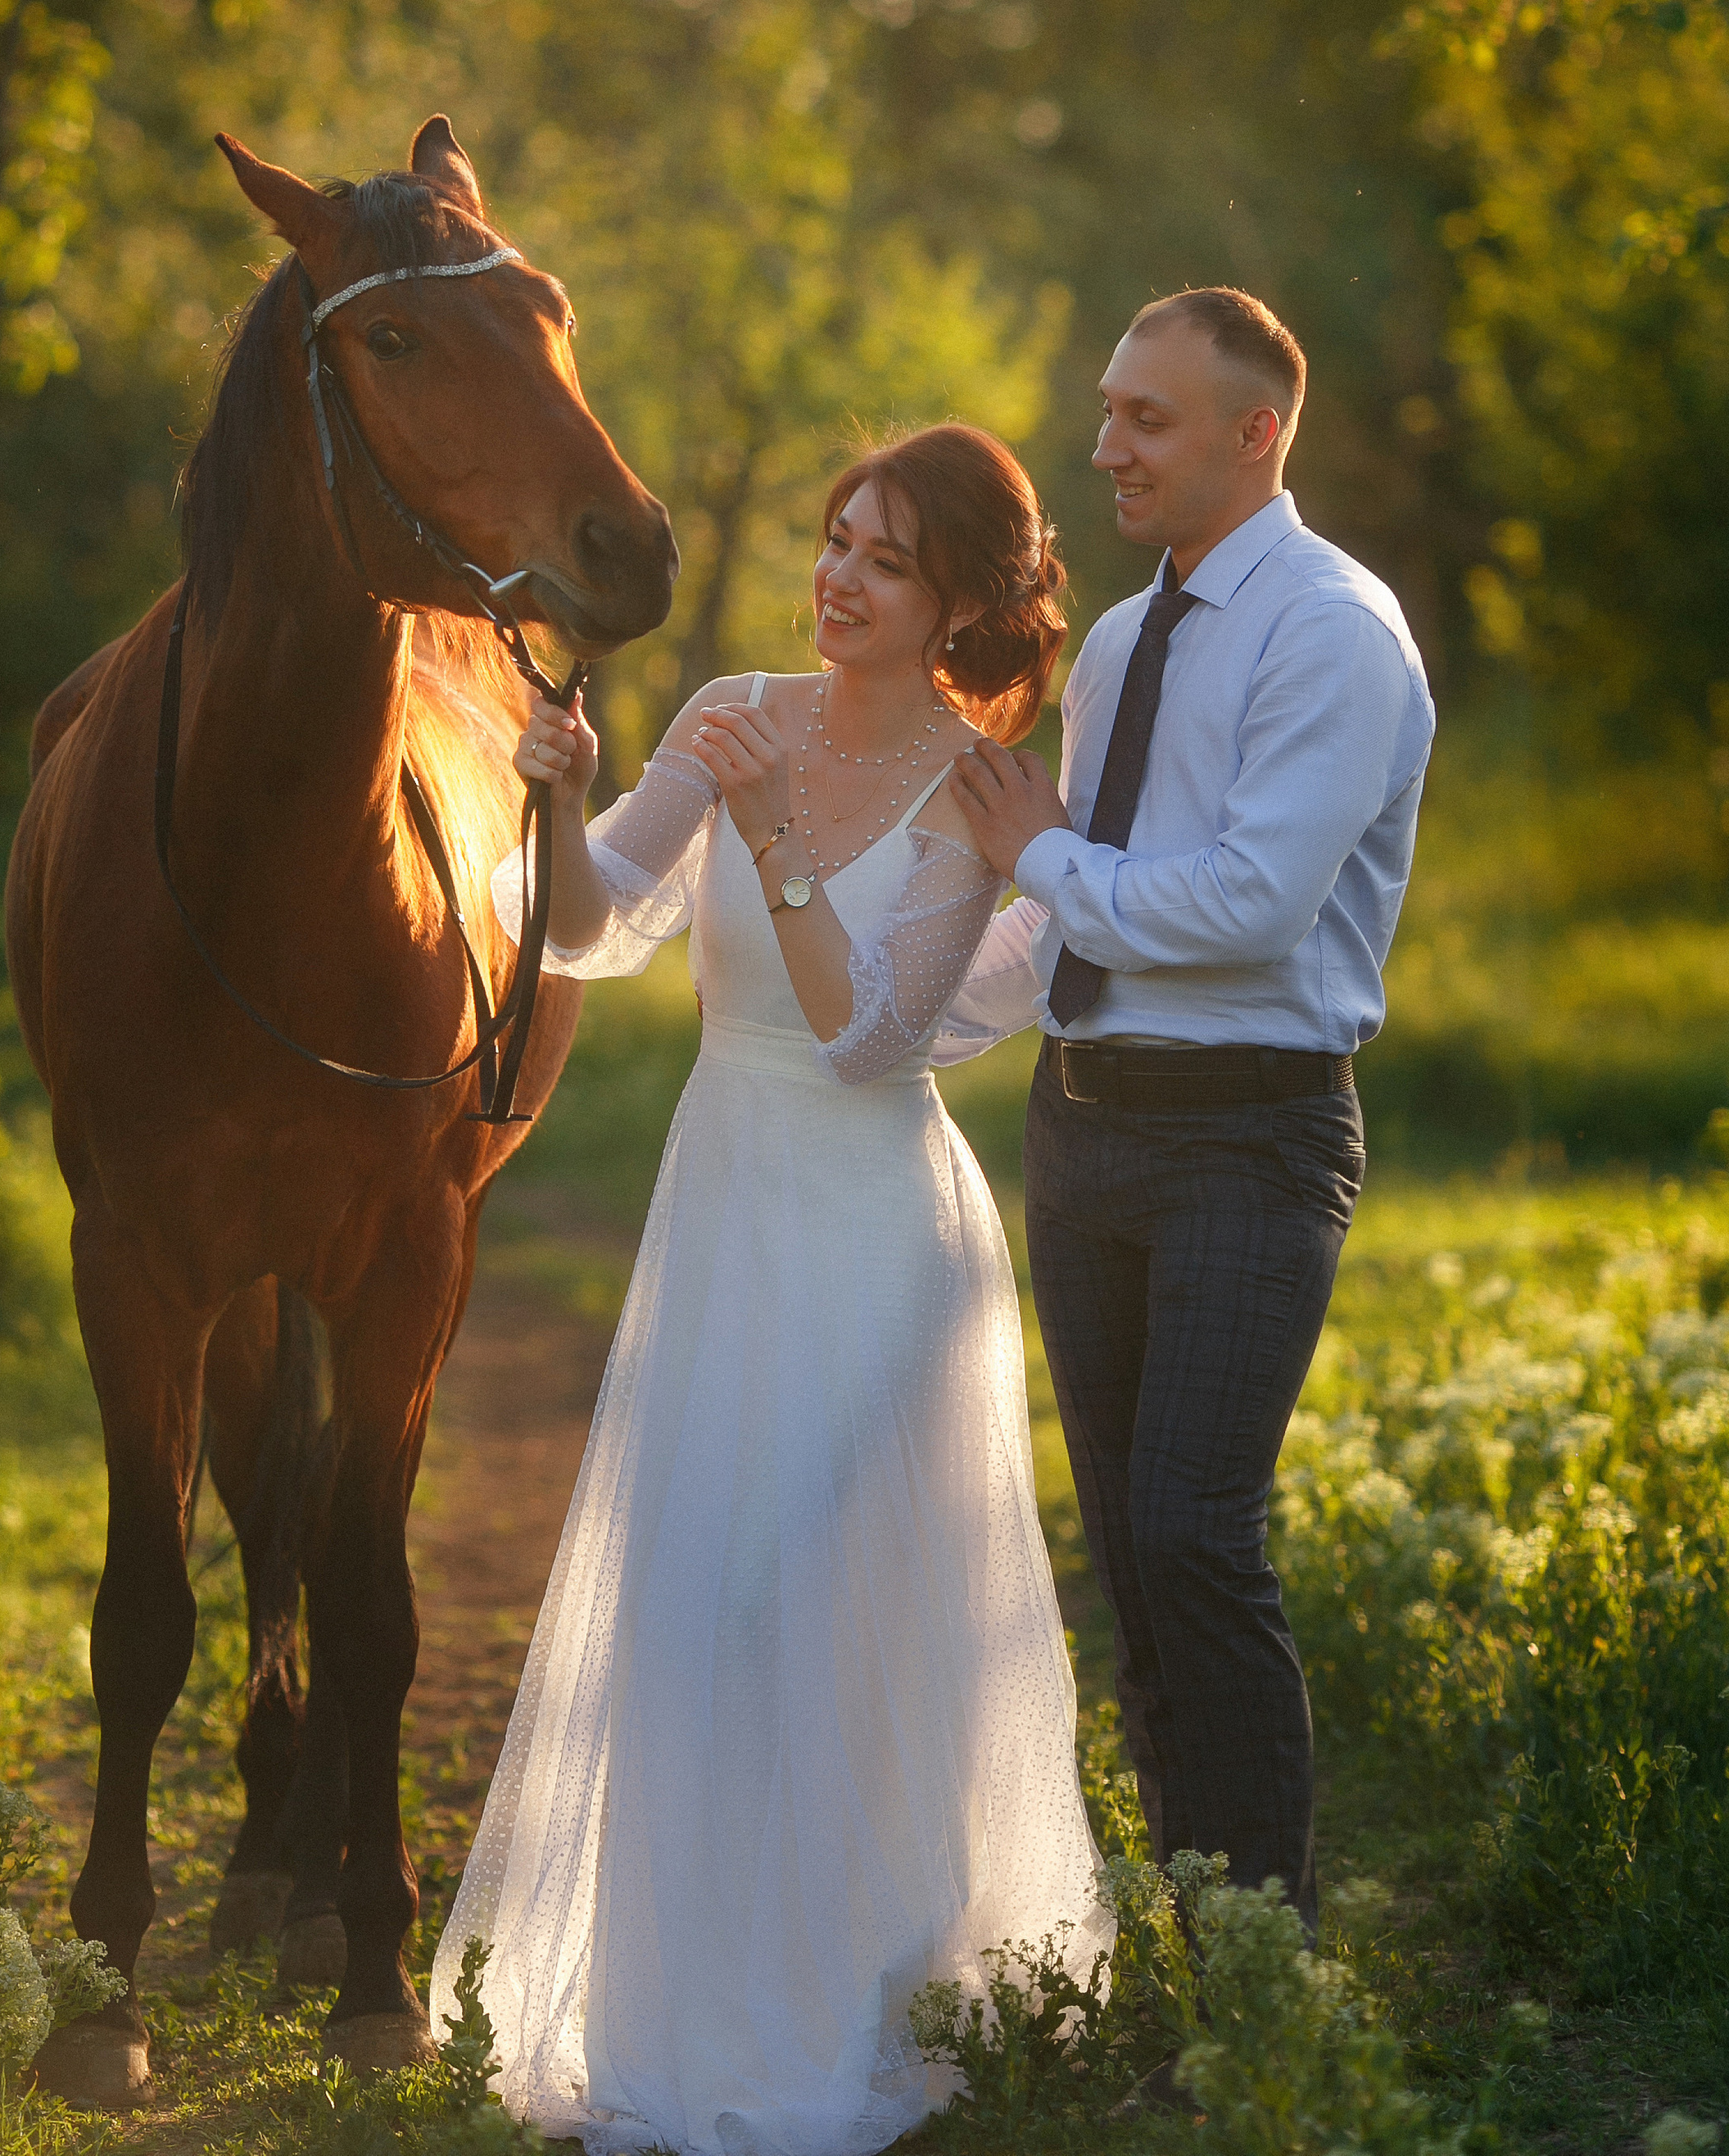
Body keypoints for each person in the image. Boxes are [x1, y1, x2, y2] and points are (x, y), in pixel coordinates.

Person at [432, 425, 1110, 2156]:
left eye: (881, 558)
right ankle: (692, 1995)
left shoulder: (975, 792)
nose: (835, 578)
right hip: (724, 1203)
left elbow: (874, 1039)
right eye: (830, 540)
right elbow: (583, 924)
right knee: (698, 1597)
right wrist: (566, 791)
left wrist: (787, 848)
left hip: (874, 1237)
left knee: (835, 1613)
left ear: (955, 598)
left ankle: (869, 1988)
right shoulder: (733, 708)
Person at [949, 288, 1434, 1944]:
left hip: (1249, 1132)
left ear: (1254, 432)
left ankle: (1267, 1966)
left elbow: (1241, 907)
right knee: (1135, 1570)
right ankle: (1198, 1964)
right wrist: (884, 1032)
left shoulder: (1331, 632)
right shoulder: (1113, 643)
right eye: (1105, 412)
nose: (1104, 448)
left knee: (1191, 1536)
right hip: (1080, 1128)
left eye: (1145, 419)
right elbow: (1071, 913)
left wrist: (1035, 855)